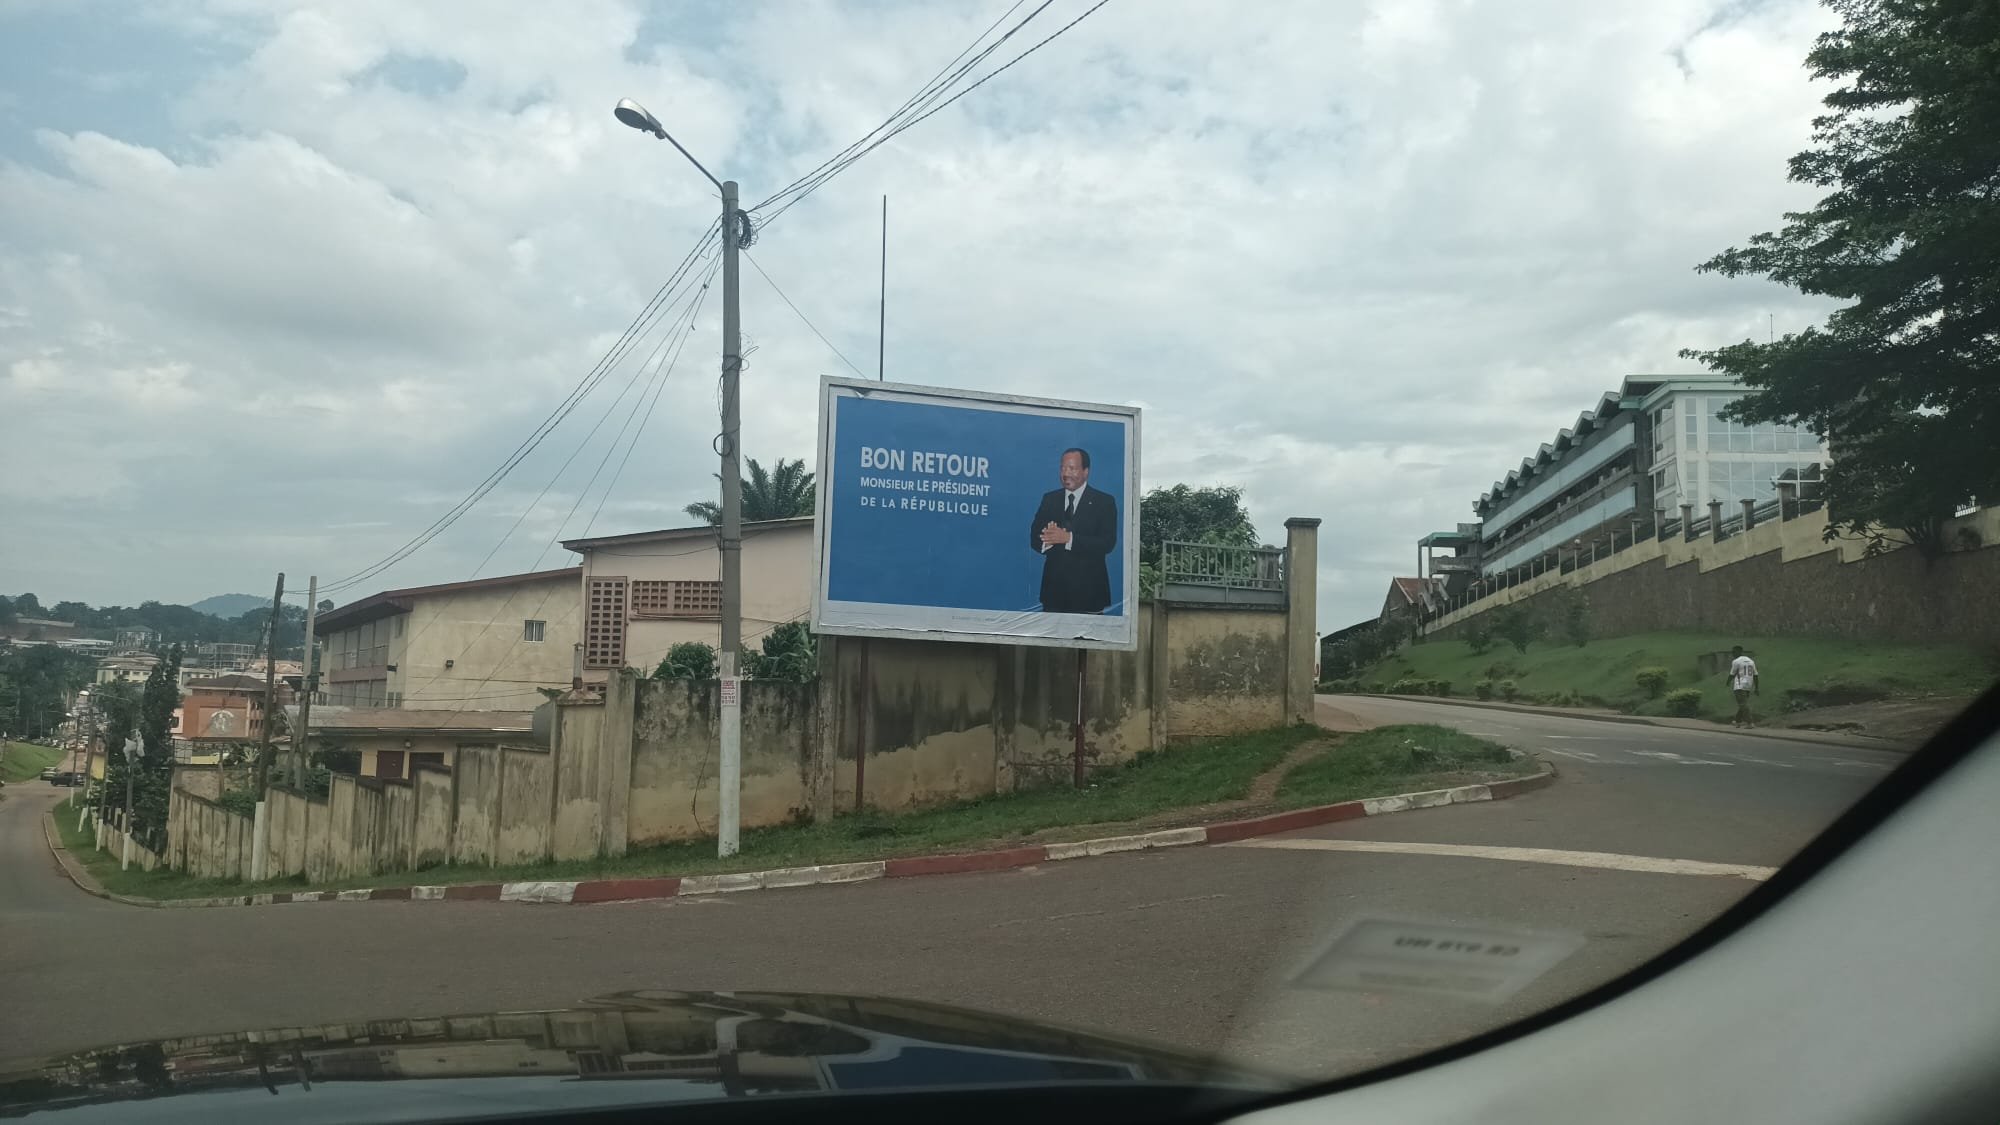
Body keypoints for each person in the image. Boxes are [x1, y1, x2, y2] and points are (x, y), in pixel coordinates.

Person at [1028, 447, 1118, 613]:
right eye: (1062, 468)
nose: (1065, 473)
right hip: (1053, 595)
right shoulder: (1050, 499)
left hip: (1090, 594)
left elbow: (1107, 543)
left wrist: (1068, 538)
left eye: (1072, 468)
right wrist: (1048, 540)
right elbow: (1034, 538)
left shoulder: (1104, 502)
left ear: (1085, 472)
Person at [1727, 645, 1759, 728]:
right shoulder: (1751, 661)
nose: (1733, 654)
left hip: (1739, 686)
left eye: (1734, 652)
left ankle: (1750, 722)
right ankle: (1737, 721)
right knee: (1742, 704)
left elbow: (1732, 674)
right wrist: (1756, 687)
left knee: (1743, 704)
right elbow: (1755, 675)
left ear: (1739, 652)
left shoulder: (1736, 661)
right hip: (1748, 685)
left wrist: (1727, 682)